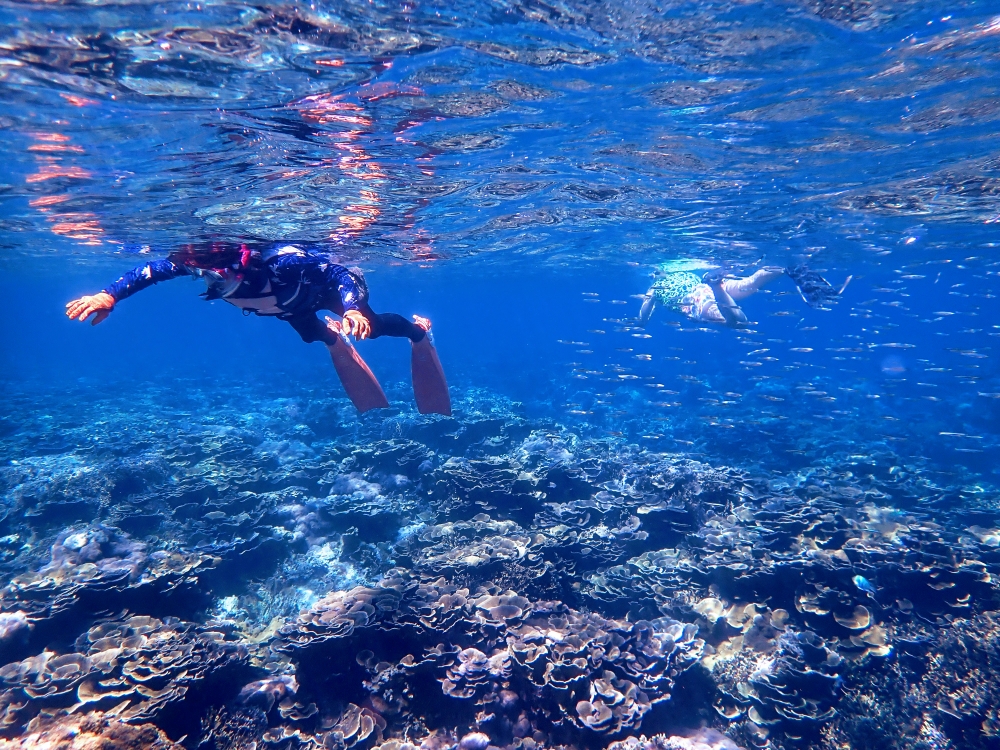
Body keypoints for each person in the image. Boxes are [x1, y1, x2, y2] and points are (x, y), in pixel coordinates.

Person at [65, 243, 451, 416]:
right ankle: (334, 337)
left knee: (377, 327)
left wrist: (352, 308)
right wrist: (109, 294)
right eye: (200, 274)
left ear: (240, 265)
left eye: (212, 275)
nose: (206, 281)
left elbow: (339, 272)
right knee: (312, 335)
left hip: (324, 296)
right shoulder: (200, 262)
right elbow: (150, 271)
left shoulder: (281, 263)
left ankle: (417, 332)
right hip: (289, 310)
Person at [638, 261, 851, 328]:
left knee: (736, 324)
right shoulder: (682, 272)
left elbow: (644, 313)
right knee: (750, 282)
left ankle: (717, 285)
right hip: (700, 287)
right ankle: (786, 268)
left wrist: (640, 323)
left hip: (693, 302)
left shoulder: (654, 289)